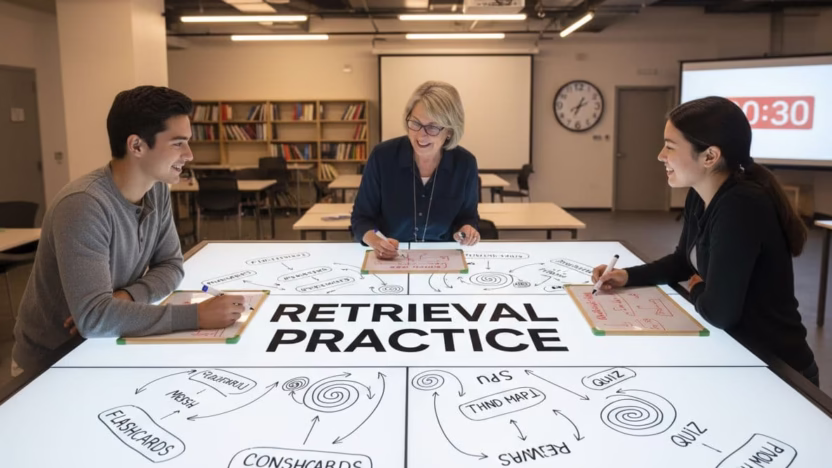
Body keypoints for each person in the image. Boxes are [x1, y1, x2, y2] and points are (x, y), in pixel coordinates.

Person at [12, 86, 244, 377]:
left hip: (103, 345)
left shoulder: (156, 190)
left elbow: (171, 266)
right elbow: (94, 318)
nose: (190, 155)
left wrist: (127, 297)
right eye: (178, 143)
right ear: (136, 146)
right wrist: (196, 315)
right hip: (53, 362)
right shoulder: (84, 205)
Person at [592, 96, 819, 386]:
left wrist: (698, 288)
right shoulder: (700, 194)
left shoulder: (741, 205)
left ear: (710, 156)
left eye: (670, 147)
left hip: (780, 371)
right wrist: (626, 276)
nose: (661, 155)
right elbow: (682, 262)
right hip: (741, 356)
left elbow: (720, 312)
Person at [351, 81, 480, 259]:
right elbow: (362, 218)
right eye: (415, 123)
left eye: (433, 127)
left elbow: (467, 217)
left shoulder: (465, 163)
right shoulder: (383, 156)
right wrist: (375, 241)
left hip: (442, 257)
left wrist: (466, 229)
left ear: (450, 131)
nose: (421, 135)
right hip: (391, 257)